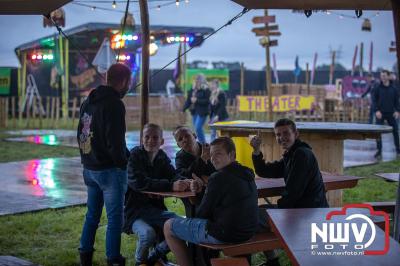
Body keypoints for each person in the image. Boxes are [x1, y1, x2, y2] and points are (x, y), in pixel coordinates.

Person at [164, 137, 259, 266]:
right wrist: (204, 189)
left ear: (232, 155)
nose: (213, 158)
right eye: (212, 154)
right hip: (248, 232)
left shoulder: (218, 177)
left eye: (218, 154)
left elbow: (201, 215)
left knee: (169, 226)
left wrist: (198, 194)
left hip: (226, 235)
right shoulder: (247, 173)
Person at [77, 63, 131, 266]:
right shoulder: (115, 104)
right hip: (109, 170)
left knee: (92, 215)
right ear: (124, 81)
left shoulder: (88, 101)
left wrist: (86, 159)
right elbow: (115, 141)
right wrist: (123, 163)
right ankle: (113, 259)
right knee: (115, 219)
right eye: (129, 82)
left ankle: (85, 255)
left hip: (89, 167)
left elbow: (81, 133)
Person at [123, 123, 189, 266]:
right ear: (142, 139)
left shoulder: (161, 157)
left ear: (162, 141)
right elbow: (139, 182)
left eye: (155, 137)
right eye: (147, 137)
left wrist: (183, 182)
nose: (150, 140)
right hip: (135, 212)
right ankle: (140, 262)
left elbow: (173, 174)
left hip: (156, 211)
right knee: (148, 234)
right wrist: (170, 185)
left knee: (182, 227)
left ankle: (153, 259)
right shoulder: (134, 156)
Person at [250, 118, 329, 209]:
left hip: (311, 211)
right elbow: (263, 171)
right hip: (303, 209)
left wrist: (279, 210)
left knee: (259, 212)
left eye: (286, 133)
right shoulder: (291, 155)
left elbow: (293, 192)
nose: (282, 137)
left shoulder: (302, 154)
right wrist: (256, 150)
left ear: (296, 134)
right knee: (259, 211)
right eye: (278, 134)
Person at [372, 70, 400, 159]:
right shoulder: (377, 87)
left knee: (395, 131)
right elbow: (374, 100)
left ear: (388, 76)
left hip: (391, 113)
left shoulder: (394, 89)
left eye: (384, 76)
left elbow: (397, 102)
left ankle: (398, 150)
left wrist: (397, 111)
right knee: (378, 133)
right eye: (381, 76)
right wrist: (376, 111)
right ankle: (379, 151)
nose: (382, 77)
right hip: (380, 113)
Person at [183, 74, 211, 144]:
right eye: (196, 79)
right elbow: (189, 100)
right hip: (194, 111)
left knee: (198, 128)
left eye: (198, 79)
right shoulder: (193, 89)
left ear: (202, 80)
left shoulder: (206, 89)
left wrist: (197, 100)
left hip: (202, 112)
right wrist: (183, 108)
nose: (197, 81)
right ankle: (201, 144)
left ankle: (203, 144)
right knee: (196, 129)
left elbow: (208, 101)